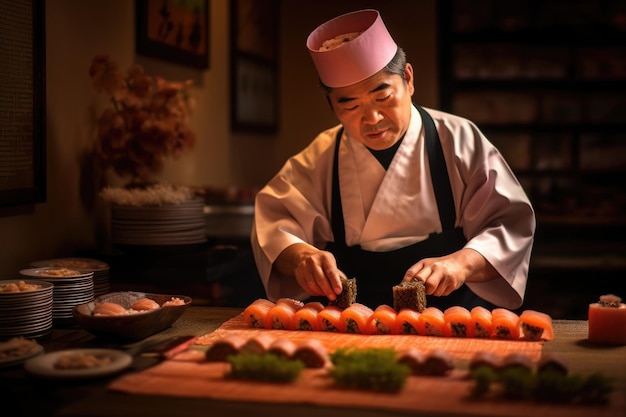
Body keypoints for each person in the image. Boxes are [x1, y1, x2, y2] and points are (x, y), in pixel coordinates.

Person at [250, 9, 535, 311]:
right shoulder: (320, 157)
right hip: (347, 325)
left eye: (382, 97)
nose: (372, 119)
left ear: (408, 79)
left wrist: (461, 264)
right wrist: (301, 257)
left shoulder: (459, 140)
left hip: (450, 317)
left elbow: (508, 224)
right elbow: (274, 228)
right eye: (350, 105)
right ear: (331, 105)